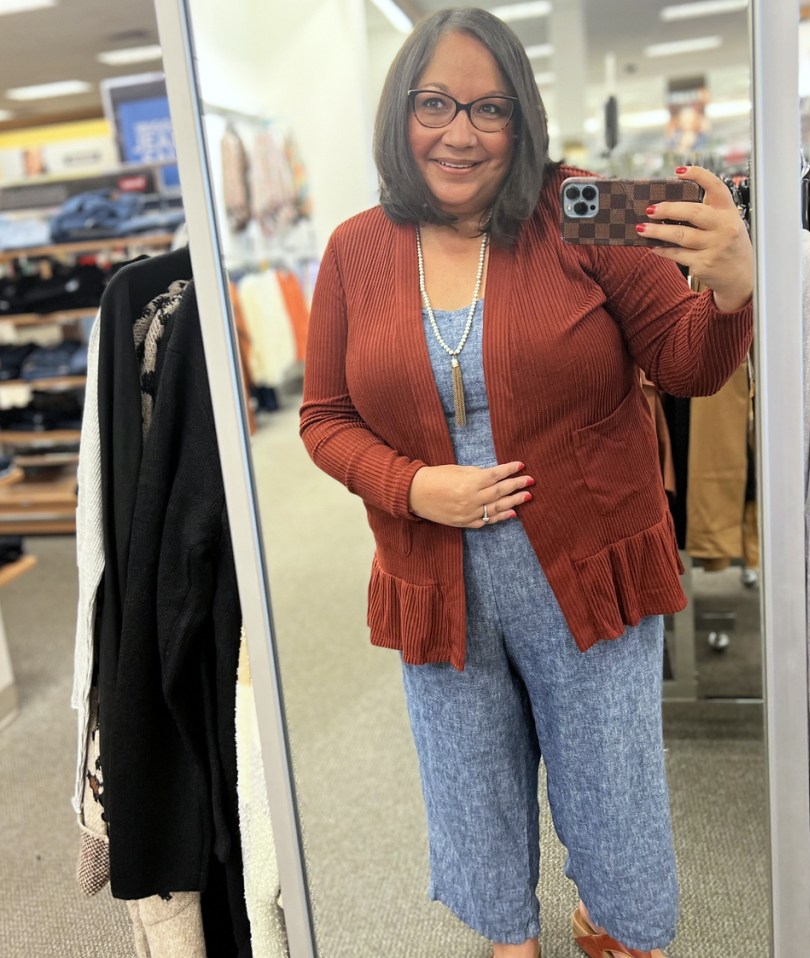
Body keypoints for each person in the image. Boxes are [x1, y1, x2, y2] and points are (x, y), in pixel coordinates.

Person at [299, 8, 753, 958]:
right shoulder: (353, 249)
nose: (459, 133)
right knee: (473, 793)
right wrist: (414, 485)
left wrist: (732, 287)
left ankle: (618, 924)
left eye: (489, 108)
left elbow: (686, 364)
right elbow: (323, 417)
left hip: (590, 560)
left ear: (524, 120)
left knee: (614, 791)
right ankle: (510, 940)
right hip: (433, 575)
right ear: (399, 115)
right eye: (435, 104)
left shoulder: (582, 203)